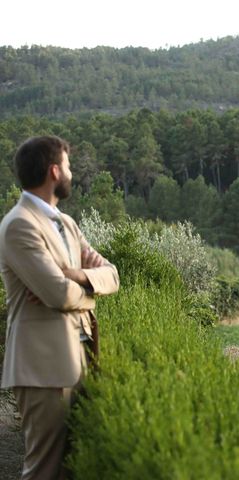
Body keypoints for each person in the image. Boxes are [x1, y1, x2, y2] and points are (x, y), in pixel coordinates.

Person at [0, 135, 120, 480]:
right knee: (45, 470)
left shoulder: (66, 223)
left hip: (80, 359)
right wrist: (87, 289)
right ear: (54, 171)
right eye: (68, 166)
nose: (71, 172)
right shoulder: (19, 225)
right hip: (42, 369)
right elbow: (58, 295)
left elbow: (112, 274)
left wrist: (77, 276)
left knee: (71, 470)